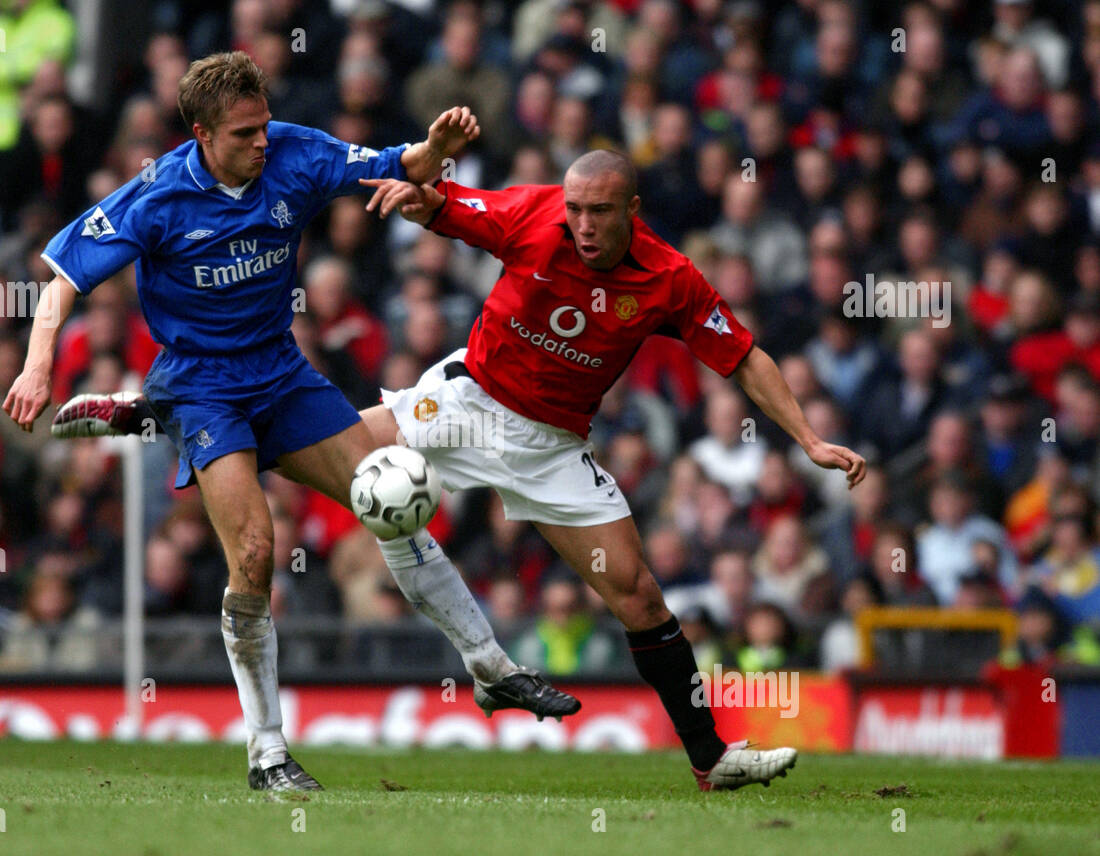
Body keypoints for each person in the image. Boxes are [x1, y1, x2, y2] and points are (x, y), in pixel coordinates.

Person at [61, 148, 868, 791]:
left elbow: (743, 356)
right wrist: (419, 199)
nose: (581, 225)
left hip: (552, 447)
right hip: (465, 401)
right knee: (350, 464)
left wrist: (805, 440)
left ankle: (710, 757)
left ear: (632, 212)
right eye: (574, 208)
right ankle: (170, 406)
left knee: (640, 595)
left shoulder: (670, 280)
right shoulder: (533, 214)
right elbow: (446, 205)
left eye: (597, 212)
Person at [3, 52, 576, 793]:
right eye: (244, 133)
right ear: (202, 134)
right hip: (206, 385)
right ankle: (268, 752)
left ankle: (491, 670)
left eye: (264, 125)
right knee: (256, 548)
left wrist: (438, 148)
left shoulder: (296, 153)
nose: (261, 142)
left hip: (279, 370)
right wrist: (36, 364)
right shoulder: (156, 194)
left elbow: (403, 161)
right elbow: (61, 277)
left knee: (389, 497)